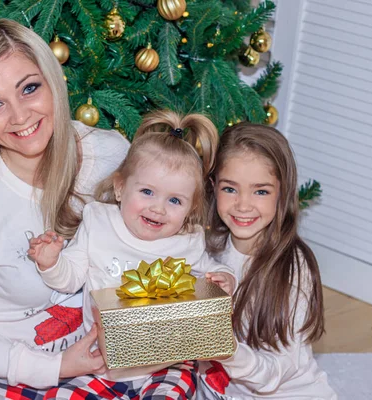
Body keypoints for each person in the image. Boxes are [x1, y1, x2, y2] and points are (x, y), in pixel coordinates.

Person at [0, 19, 130, 398]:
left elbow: (170, 227)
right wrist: (56, 367)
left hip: (99, 353)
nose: (19, 116)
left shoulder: (109, 156)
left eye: (29, 88)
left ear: (52, 81)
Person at [29, 110, 237, 399]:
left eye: (175, 200)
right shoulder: (99, 222)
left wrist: (225, 281)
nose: (158, 208)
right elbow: (70, 279)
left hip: (166, 362)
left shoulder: (187, 242)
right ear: (120, 187)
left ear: (190, 209)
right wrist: (51, 262)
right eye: (147, 192)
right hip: (99, 360)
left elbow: (211, 271)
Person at [199, 123, 336, 399]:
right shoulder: (206, 248)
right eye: (230, 189)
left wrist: (227, 351)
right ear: (213, 187)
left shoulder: (293, 270)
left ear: (282, 193)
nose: (243, 205)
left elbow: (272, 376)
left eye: (260, 191)